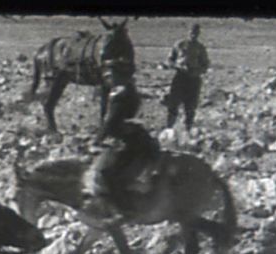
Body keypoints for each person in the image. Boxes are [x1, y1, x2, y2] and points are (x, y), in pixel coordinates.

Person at [84, 64, 162, 222]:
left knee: (108, 172)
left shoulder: (121, 93)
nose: (107, 78)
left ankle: (124, 210)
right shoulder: (126, 89)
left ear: (120, 75)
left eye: (110, 75)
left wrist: (97, 140)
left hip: (131, 141)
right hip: (131, 137)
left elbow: (111, 120)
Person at [164, 23, 210, 132]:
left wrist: (197, 71)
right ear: (188, 32)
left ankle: (187, 131)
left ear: (199, 34)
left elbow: (205, 64)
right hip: (179, 78)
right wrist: (177, 66)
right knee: (173, 105)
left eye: (196, 33)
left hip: (193, 80)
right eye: (192, 32)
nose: (193, 35)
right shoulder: (179, 44)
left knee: (190, 108)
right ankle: (168, 130)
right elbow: (169, 60)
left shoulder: (200, 48)